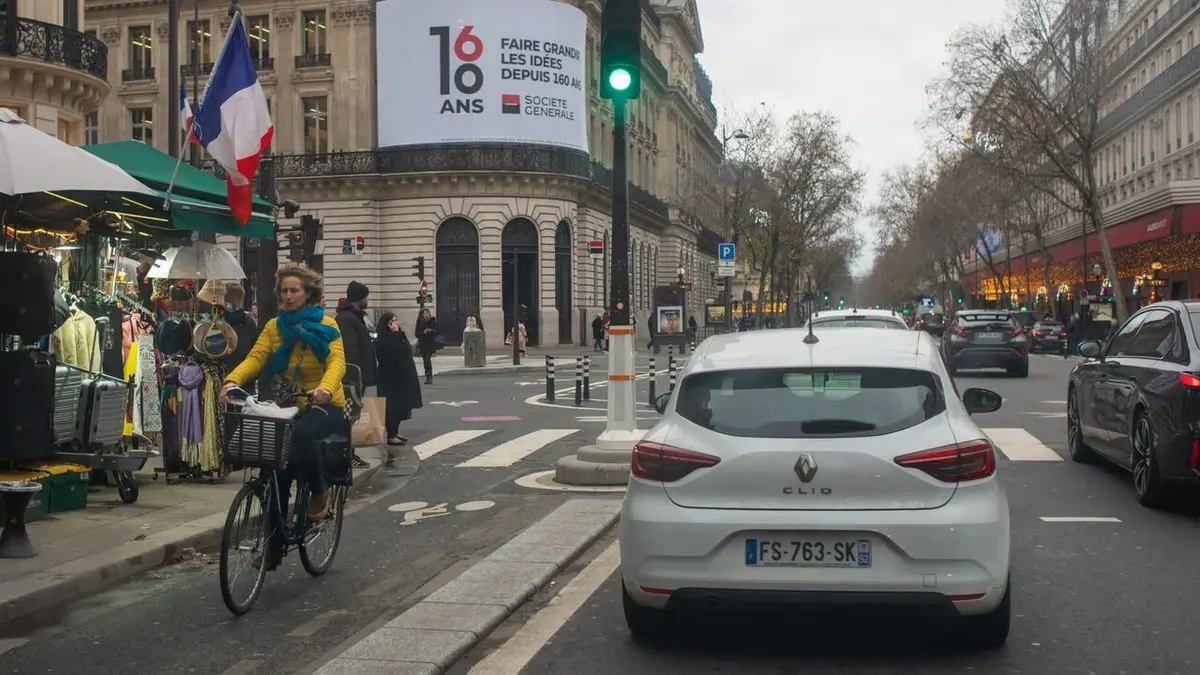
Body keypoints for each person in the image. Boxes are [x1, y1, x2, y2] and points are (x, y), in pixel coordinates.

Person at [220, 262, 347, 571]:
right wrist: (232, 381)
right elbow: (256, 358)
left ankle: (319, 493)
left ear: (308, 294)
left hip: (325, 405)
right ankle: (273, 543)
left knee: (302, 436)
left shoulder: (328, 325)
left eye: (295, 290)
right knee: (274, 468)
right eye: (285, 291)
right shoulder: (274, 328)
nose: (289, 296)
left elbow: (336, 362)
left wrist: (325, 389)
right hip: (287, 404)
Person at [336, 281, 376, 468]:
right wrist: (355, 377)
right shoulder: (346, 319)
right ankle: (346, 454)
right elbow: (349, 351)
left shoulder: (353, 317)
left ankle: (348, 453)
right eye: (366, 296)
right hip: (353, 377)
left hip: (358, 376)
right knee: (349, 416)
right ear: (359, 298)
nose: (368, 300)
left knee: (352, 415)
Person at [374, 312, 423, 458]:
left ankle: (395, 432)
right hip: (391, 378)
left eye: (396, 320)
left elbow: (406, 349)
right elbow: (391, 353)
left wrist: (398, 333)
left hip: (402, 377)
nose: (396, 323)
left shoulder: (397, 335)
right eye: (392, 321)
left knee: (402, 405)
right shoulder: (384, 338)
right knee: (392, 407)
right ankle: (391, 435)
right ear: (387, 324)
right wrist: (396, 334)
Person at [415, 308, 439, 384]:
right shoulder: (419, 322)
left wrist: (431, 330)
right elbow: (417, 334)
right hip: (423, 343)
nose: (427, 314)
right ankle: (427, 375)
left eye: (428, 313)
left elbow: (437, 331)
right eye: (425, 313)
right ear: (422, 315)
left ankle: (429, 376)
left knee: (427, 358)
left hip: (430, 343)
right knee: (424, 360)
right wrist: (423, 332)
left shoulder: (433, 321)